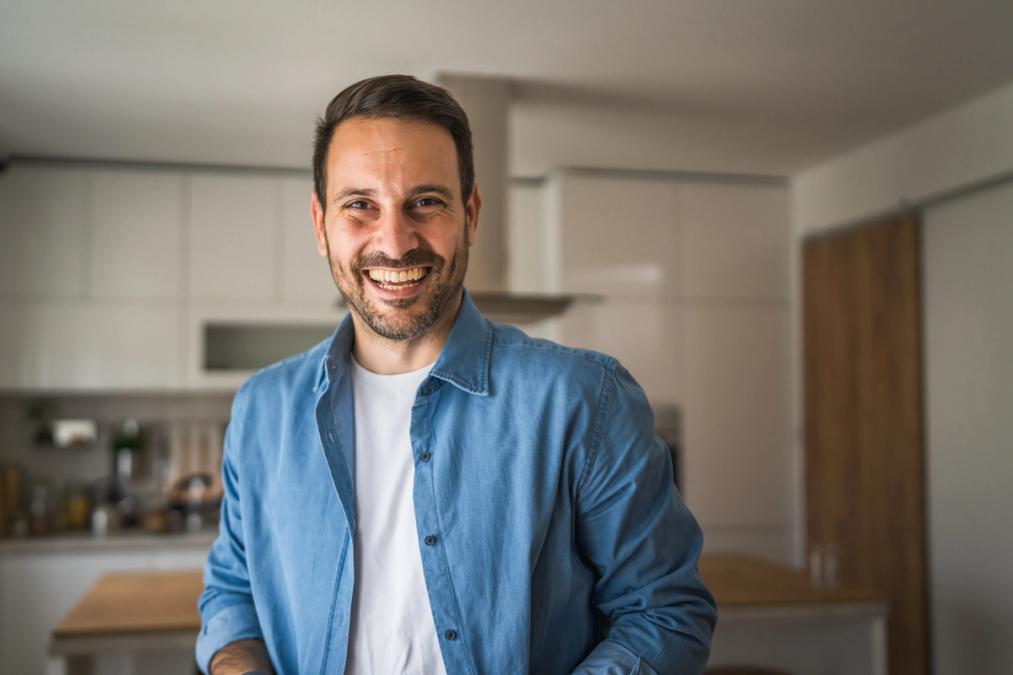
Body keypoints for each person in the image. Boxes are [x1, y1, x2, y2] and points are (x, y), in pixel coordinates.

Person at [196, 74, 716, 675]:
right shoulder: (262, 409)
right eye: (360, 206)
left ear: (469, 215)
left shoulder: (582, 400)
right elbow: (232, 596)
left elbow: (664, 612)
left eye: (426, 202)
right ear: (321, 225)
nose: (394, 242)